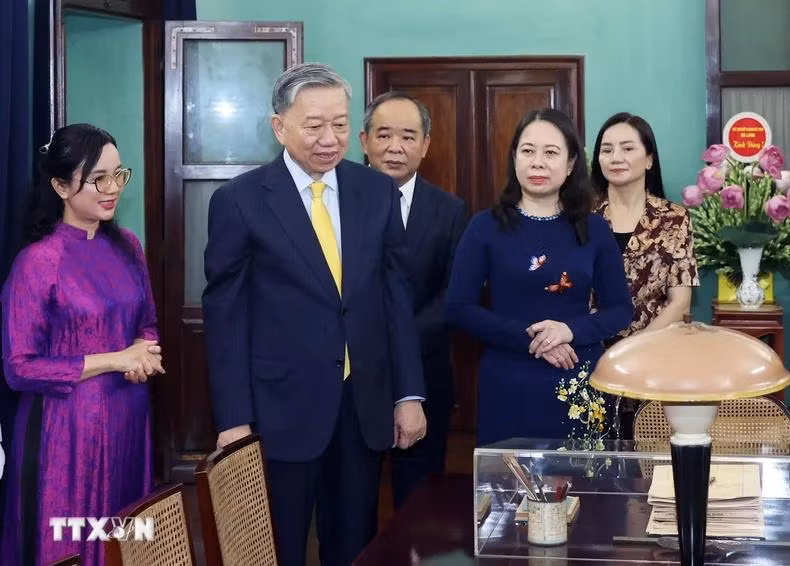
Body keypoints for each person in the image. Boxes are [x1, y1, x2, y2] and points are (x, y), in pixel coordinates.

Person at [202, 63, 427, 566]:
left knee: (354, 545)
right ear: (279, 126)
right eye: (314, 125)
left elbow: (395, 297)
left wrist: (408, 393)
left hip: (361, 406)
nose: (330, 138)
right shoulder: (240, 202)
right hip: (279, 411)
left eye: (341, 125)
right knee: (278, 548)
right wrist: (234, 418)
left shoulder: (376, 193)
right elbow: (225, 317)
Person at [0, 123, 163, 566]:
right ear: (59, 185)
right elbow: (19, 367)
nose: (112, 189)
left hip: (129, 424)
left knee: (126, 539)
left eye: (119, 176)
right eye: (98, 179)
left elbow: (147, 325)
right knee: (67, 542)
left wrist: (143, 355)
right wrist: (115, 359)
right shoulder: (37, 262)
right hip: (66, 434)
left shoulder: (129, 247)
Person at [445, 108, 632, 445]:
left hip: (576, 375)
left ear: (571, 162)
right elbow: (458, 307)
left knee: (585, 489)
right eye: (527, 151)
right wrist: (531, 338)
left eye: (551, 152)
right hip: (509, 379)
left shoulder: (594, 229)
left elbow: (619, 309)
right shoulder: (485, 227)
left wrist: (569, 330)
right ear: (514, 157)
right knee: (508, 491)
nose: (537, 162)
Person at [360, 91, 467, 509]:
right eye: (384, 135)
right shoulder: (334, 203)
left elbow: (453, 294)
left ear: (425, 146)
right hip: (353, 377)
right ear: (364, 140)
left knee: (420, 503)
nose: (395, 147)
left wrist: (397, 342)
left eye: (408, 137)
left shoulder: (450, 210)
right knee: (352, 503)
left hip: (425, 376)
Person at [590, 112, 699, 438]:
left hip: (655, 358)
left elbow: (679, 302)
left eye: (627, 148)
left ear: (649, 159)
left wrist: (634, 348)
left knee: (651, 461)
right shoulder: (581, 217)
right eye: (606, 149)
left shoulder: (674, 218)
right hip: (591, 355)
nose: (616, 157)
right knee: (593, 464)